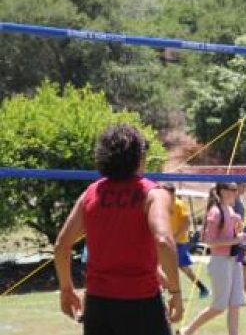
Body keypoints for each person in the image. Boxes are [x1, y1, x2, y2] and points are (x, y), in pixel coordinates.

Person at [54, 124, 183, 334]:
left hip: (98, 305)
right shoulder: (153, 193)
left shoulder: (91, 192)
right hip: (141, 302)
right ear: (140, 157)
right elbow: (163, 240)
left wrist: (66, 289)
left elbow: (61, 245)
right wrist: (176, 292)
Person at [178, 183, 246, 335]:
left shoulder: (230, 209)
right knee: (219, 306)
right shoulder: (215, 212)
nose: (236, 193)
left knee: (235, 303)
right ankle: (187, 331)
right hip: (220, 262)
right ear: (222, 192)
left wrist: (238, 226)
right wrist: (235, 240)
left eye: (236, 190)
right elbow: (209, 241)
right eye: (233, 190)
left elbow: (233, 235)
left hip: (233, 260)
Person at [163, 184, 211, 299]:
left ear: (173, 193)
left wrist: (175, 238)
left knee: (184, 268)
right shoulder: (163, 205)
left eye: (166, 193)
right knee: (163, 267)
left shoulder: (179, 204)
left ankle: (203, 288)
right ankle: (165, 292)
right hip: (168, 241)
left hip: (179, 242)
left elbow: (186, 223)